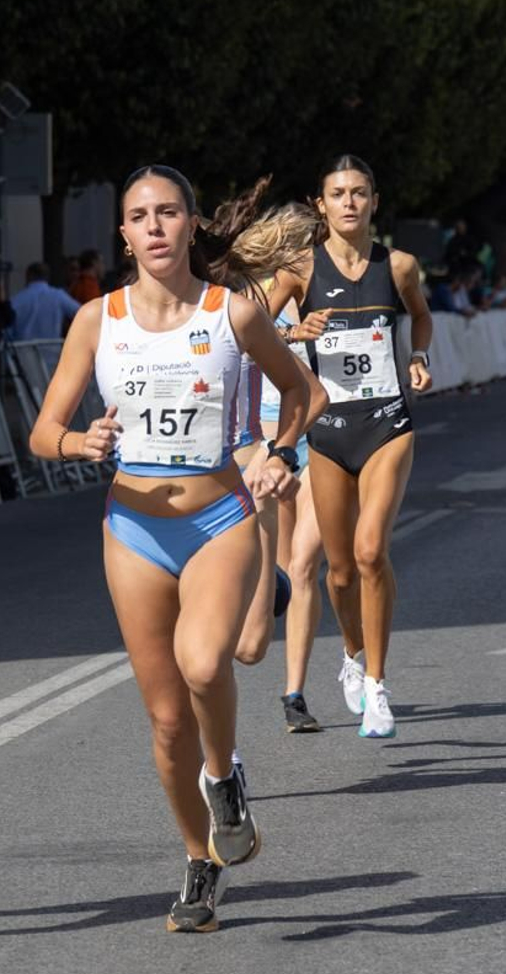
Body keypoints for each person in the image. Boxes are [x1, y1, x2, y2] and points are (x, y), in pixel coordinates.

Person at [28, 166, 315, 933]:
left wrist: (281, 454)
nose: (153, 227)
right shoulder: (98, 319)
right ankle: (199, 860)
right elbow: (41, 430)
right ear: (122, 233)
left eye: (167, 213)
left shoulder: (232, 314)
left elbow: (300, 394)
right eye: (138, 216)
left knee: (202, 662)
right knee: (163, 722)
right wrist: (74, 439)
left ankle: (223, 777)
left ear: (191, 225)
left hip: (219, 515)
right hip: (132, 528)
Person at [265, 155, 434, 740]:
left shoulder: (402, 265)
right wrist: (293, 331)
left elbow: (421, 318)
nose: (349, 203)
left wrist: (417, 355)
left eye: (359, 193)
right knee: (338, 573)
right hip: (329, 428)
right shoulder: (297, 268)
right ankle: (353, 657)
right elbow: (247, 322)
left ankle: (380, 688)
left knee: (369, 553)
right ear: (322, 205)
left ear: (374, 201)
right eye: (337, 194)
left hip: (387, 422)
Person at [224, 203, 328, 702]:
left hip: (295, 443)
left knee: (303, 564)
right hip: (250, 447)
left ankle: (295, 689)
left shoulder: (253, 311)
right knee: (209, 640)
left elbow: (314, 392)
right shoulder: (244, 302)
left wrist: (277, 451)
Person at [9, 262, 80, 342]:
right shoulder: (58, 296)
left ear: (28, 276)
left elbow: (8, 330)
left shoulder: (16, 300)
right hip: (51, 350)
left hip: (23, 351)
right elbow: (81, 313)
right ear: (47, 277)